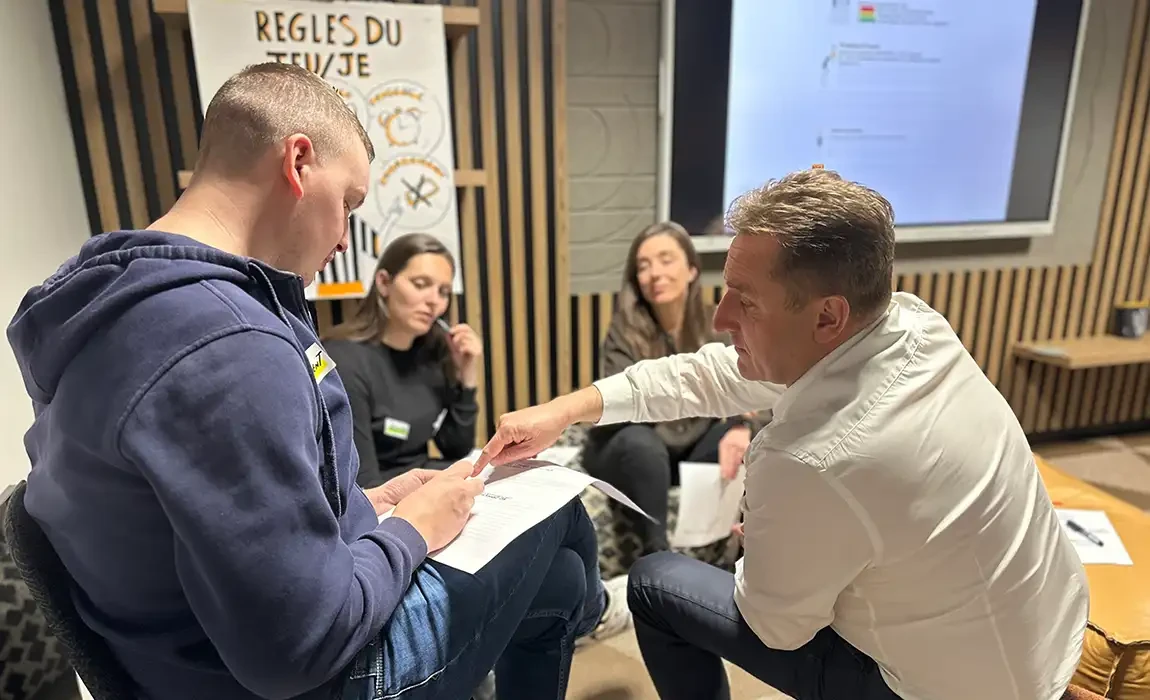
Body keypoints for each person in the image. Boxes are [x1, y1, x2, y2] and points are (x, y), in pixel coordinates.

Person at [7, 62, 606, 700]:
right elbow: (299, 649)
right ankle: (598, 611)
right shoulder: (228, 344)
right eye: (348, 203)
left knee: (559, 583)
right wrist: (412, 529)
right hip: (311, 678)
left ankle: (585, 604)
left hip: (174, 663)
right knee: (557, 509)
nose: (345, 238)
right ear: (297, 162)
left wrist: (367, 506)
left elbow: (218, 519)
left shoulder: (112, 304)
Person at [473, 169, 1090, 700]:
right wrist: (566, 409)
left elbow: (777, 627)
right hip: (1047, 633)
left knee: (654, 583)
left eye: (745, 302)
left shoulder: (808, 461)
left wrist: (768, 546)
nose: (721, 318)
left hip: (952, 688)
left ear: (827, 315)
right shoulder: (912, 323)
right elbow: (712, 373)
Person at [584, 221, 760, 555]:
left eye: (666, 260)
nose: (655, 273)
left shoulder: (716, 325)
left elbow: (747, 389)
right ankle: (658, 556)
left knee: (748, 438)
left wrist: (740, 426)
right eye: (643, 266)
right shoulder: (624, 331)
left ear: (692, 269)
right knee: (643, 443)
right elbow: (628, 410)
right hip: (631, 448)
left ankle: (733, 549)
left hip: (685, 446)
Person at [323, 233, 481, 488]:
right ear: (384, 283)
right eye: (420, 284)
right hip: (381, 496)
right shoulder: (344, 360)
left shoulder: (434, 352)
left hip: (423, 481)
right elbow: (364, 485)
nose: (434, 301)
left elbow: (455, 448)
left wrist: (467, 378)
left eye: (443, 291)